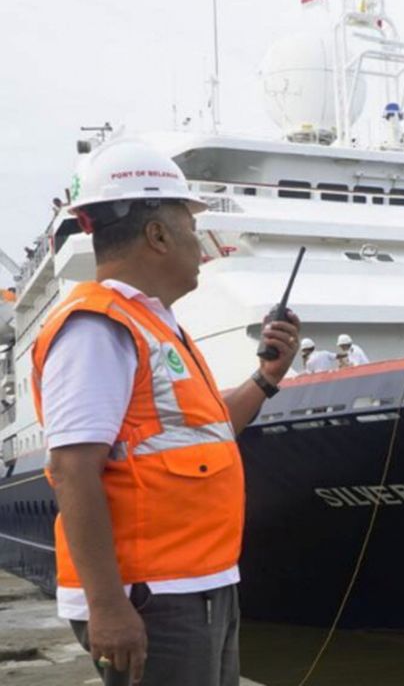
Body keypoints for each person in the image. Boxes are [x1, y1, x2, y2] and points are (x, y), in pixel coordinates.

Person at [32, 140, 301, 686]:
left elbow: (212, 430)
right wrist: (108, 607)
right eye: (188, 222)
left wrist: (266, 378)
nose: (199, 241)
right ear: (156, 234)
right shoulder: (98, 329)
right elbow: (71, 469)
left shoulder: (157, 327)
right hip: (154, 594)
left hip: (198, 582)